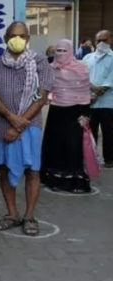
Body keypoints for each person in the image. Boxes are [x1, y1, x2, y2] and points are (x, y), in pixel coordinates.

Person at [0, 21, 53, 236]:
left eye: (22, 36)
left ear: (28, 39)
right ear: (5, 38)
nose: (18, 39)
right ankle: (12, 214)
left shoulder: (40, 61)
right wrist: (11, 118)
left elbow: (42, 96)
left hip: (30, 125)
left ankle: (29, 216)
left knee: (32, 170)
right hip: (3, 125)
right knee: (4, 169)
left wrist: (21, 122)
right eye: (14, 35)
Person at [41, 39, 92, 193]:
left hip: (75, 113)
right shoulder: (50, 68)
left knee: (73, 148)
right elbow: (45, 88)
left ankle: (75, 183)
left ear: (70, 51)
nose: (61, 54)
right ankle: (54, 180)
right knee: (55, 147)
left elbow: (85, 92)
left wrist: (86, 114)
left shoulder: (81, 68)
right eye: (58, 50)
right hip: (56, 112)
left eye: (64, 51)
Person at [83, 30, 113, 167]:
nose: (101, 43)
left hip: (108, 102)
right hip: (89, 102)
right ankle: (91, 158)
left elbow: (110, 80)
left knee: (109, 132)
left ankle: (109, 159)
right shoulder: (87, 58)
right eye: (98, 40)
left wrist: (95, 94)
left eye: (104, 40)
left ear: (110, 40)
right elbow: (82, 77)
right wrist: (91, 93)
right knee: (90, 132)